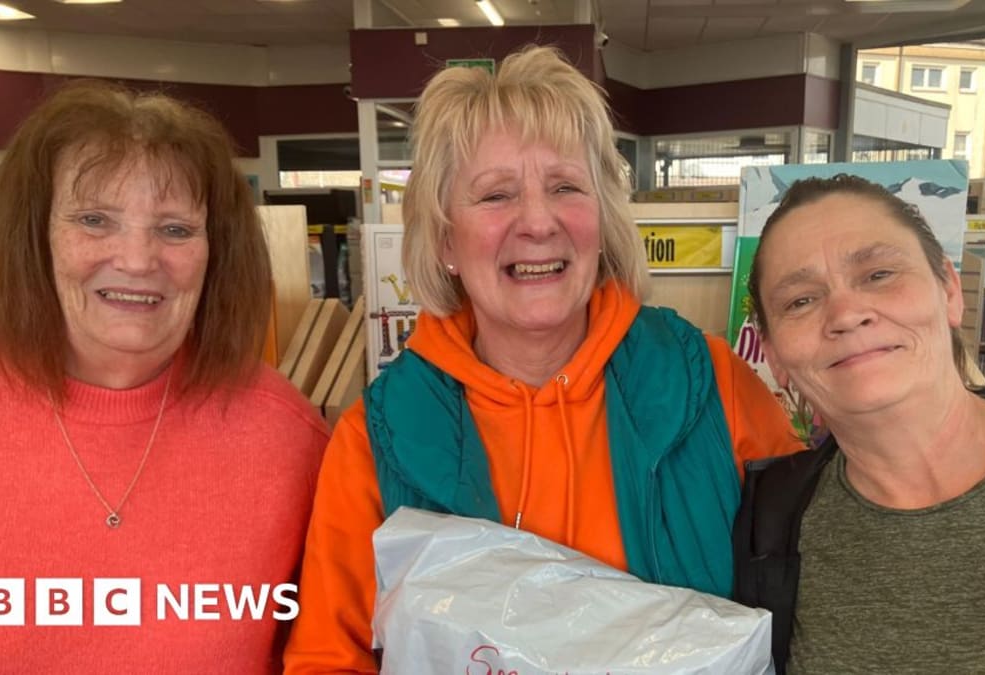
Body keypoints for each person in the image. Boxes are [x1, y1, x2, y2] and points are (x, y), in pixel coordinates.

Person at [284, 45, 801, 673]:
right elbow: (328, 658)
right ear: (446, 238)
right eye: (496, 195)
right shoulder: (381, 437)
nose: (537, 221)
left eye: (565, 186)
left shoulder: (709, 384)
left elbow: (812, 599)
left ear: (603, 221)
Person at [0, 80, 329, 672]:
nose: (136, 259)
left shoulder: (286, 438)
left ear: (217, 253)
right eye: (95, 219)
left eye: (175, 229)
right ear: (33, 236)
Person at [732, 174, 985, 674]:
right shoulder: (766, 527)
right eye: (800, 300)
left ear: (950, 291)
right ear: (773, 354)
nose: (845, 313)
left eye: (879, 274)